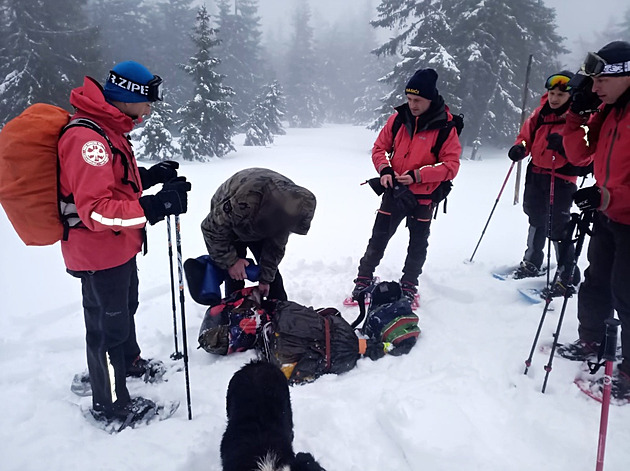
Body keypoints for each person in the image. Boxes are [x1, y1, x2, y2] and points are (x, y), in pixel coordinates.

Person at [58, 60, 191, 425]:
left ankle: (127, 363)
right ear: (126, 95)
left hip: (119, 247)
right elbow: (95, 212)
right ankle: (111, 404)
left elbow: (115, 185)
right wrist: (154, 207)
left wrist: (150, 177)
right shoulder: (88, 140)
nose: (151, 107)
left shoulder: (110, 129)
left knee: (124, 309)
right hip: (98, 251)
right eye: (147, 99)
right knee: (106, 328)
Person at [558, 40, 630, 400]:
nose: (595, 88)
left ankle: (629, 375)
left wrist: (608, 195)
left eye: (601, 80)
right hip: (607, 215)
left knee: (627, 293)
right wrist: (575, 115)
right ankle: (592, 341)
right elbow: (580, 154)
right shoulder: (611, 111)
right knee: (596, 281)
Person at [352, 68, 461, 303]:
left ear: (430, 99)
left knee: (418, 243)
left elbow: (452, 165)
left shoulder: (445, 127)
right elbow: (379, 148)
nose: (412, 104)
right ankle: (363, 280)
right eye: (409, 99)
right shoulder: (399, 119)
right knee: (379, 237)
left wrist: (418, 176)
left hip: (424, 196)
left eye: (417, 100)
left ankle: (409, 286)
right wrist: (385, 170)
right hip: (395, 192)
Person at [506, 70, 587, 295]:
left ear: (570, 96)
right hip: (537, 173)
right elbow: (526, 136)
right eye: (552, 93)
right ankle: (532, 261)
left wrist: (564, 144)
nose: (554, 98)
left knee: (557, 225)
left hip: (561, 177)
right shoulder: (540, 113)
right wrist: (520, 148)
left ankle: (566, 274)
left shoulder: (578, 117)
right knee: (534, 216)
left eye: (560, 95)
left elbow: (588, 144)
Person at [201, 168, 316, 300]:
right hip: (233, 220)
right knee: (235, 276)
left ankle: (280, 313)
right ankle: (234, 312)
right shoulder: (245, 201)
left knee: (273, 281)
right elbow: (211, 228)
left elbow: (275, 248)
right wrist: (231, 262)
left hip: (263, 218)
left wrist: (265, 279)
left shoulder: (292, 207)